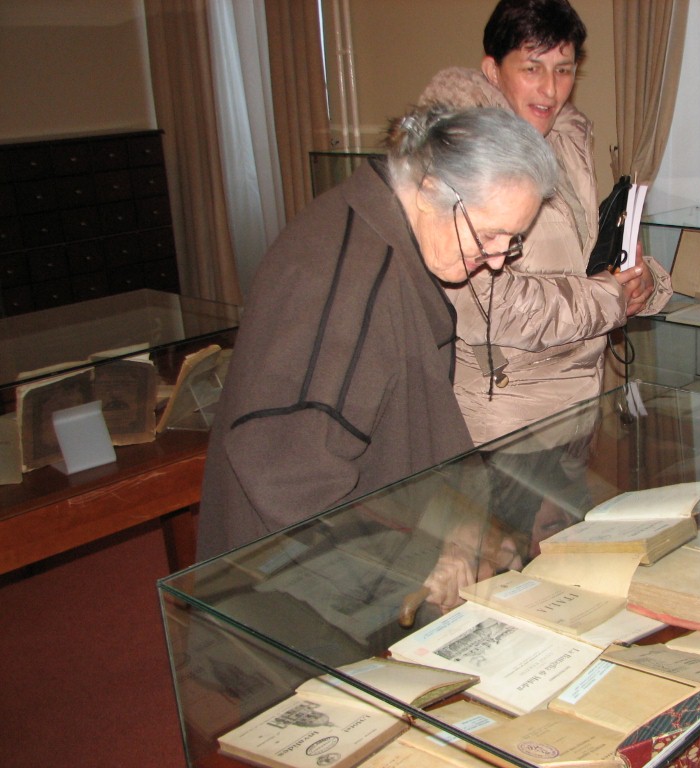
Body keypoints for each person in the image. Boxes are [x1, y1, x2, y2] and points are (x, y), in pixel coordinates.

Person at [195, 105, 560, 559]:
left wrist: (457, 529)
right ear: (429, 190)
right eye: (488, 236)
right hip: (292, 574)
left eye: (513, 240)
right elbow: (286, 473)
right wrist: (418, 566)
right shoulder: (350, 280)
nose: (498, 260)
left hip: (362, 550)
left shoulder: (382, 229)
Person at [414, 0, 673, 613]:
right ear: (492, 69)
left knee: (557, 592)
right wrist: (609, 299)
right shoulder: (466, 160)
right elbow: (490, 306)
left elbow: (586, 262)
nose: (550, 89)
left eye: (563, 69)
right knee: (489, 594)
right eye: (532, 68)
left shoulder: (567, 137)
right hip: (506, 422)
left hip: (575, 405)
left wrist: (642, 282)